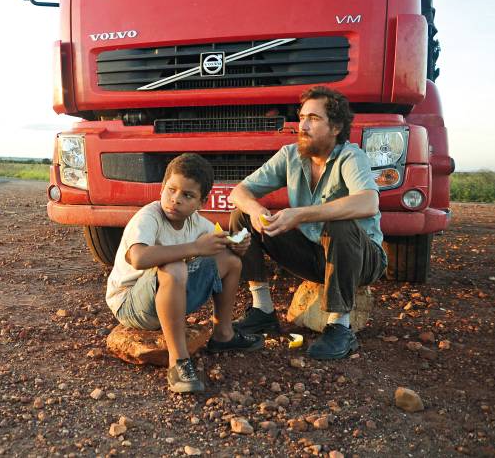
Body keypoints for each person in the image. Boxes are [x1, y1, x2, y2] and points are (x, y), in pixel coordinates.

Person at [228, 86, 387, 360]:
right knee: (242, 216)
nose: (302, 125)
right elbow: (238, 192)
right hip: (316, 257)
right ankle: (263, 310)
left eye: (313, 118)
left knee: (340, 223)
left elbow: (367, 203)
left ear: (336, 126)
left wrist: (300, 214)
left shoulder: (351, 156)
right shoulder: (291, 155)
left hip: (362, 259)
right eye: (301, 117)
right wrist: (255, 210)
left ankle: (340, 326)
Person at [105, 153, 263, 394]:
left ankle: (223, 334)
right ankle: (178, 362)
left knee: (230, 262)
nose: (175, 199)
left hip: (168, 296)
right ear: (161, 189)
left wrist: (237, 245)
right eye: (171, 190)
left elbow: (220, 242)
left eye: (187, 195)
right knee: (174, 265)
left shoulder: (196, 222)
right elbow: (139, 258)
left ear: (202, 202)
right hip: (131, 304)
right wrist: (195, 248)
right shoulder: (149, 217)